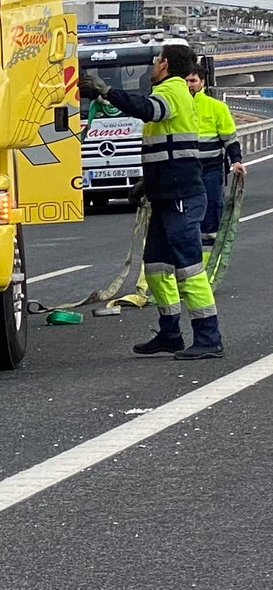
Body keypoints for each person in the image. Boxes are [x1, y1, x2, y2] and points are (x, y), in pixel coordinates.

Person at [82, 44, 224, 360]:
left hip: (181, 197)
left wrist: (106, 92)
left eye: (157, 60)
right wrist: (148, 182)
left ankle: (208, 337)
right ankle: (170, 333)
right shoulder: (172, 91)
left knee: (188, 268)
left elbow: (149, 109)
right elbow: (169, 149)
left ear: (166, 64)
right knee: (157, 268)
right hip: (164, 195)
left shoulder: (172, 89)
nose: (154, 66)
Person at [189, 71, 246, 250]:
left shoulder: (216, 107)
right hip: (184, 170)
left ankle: (211, 246)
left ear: (202, 82)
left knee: (212, 205)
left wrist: (236, 161)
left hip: (210, 168)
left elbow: (230, 139)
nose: (189, 85)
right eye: (185, 81)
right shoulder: (175, 107)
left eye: (193, 80)